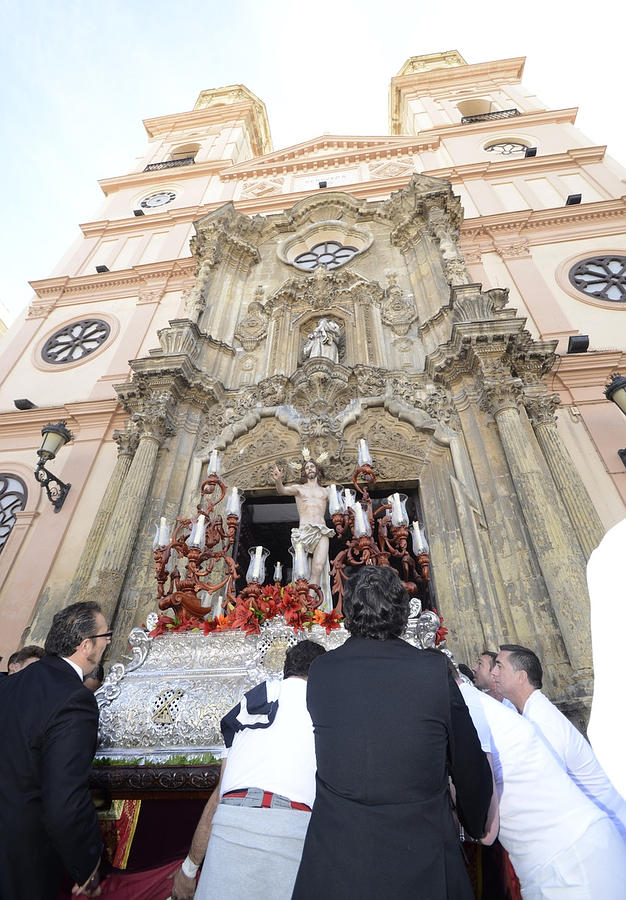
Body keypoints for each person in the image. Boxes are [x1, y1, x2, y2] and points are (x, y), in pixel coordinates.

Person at [292, 565, 493, 900]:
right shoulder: (432, 671)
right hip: (421, 859)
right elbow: (468, 763)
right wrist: (474, 822)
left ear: (348, 613)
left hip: (336, 863)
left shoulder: (322, 672)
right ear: (402, 614)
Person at [170, 640, 326, 900]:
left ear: (285, 670)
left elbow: (218, 797)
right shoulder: (326, 708)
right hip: (289, 828)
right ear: (323, 674)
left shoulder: (249, 705)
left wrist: (188, 870)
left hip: (230, 820)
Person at [459, 675, 626, 898]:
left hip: (569, 864)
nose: (494, 673)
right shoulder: (482, 705)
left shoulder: (471, 710)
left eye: (500, 666)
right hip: (565, 857)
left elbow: (484, 830)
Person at [0, 601, 111, 899]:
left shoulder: (8, 686)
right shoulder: (74, 699)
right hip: (22, 861)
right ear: (86, 645)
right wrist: (86, 864)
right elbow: (64, 797)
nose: (109, 642)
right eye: (105, 636)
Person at [494, 644, 626, 840]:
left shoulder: (542, 720)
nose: (493, 673)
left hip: (606, 826)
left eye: (499, 666)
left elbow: (548, 787)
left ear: (521, 676)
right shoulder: (532, 711)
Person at [272, 458, 334, 611]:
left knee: (318, 568)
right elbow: (282, 491)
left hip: (321, 530)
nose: (310, 469)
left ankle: (311, 603)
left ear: (317, 469)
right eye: (307, 467)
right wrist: (278, 480)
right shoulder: (299, 489)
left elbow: (338, 507)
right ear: (304, 472)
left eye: (312, 466)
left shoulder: (326, 491)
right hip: (304, 532)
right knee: (300, 570)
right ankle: (299, 603)